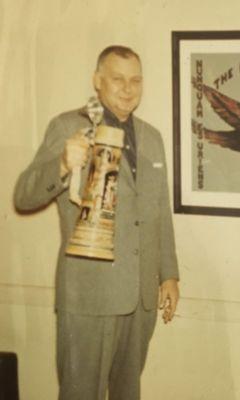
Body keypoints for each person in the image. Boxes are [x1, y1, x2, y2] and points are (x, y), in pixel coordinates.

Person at [14, 45, 180, 400]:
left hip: (139, 297)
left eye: (135, 80)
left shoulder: (152, 137)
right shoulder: (69, 126)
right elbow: (24, 195)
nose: (127, 88)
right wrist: (61, 163)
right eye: (117, 79)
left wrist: (168, 273)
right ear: (97, 81)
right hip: (89, 296)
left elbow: (159, 211)